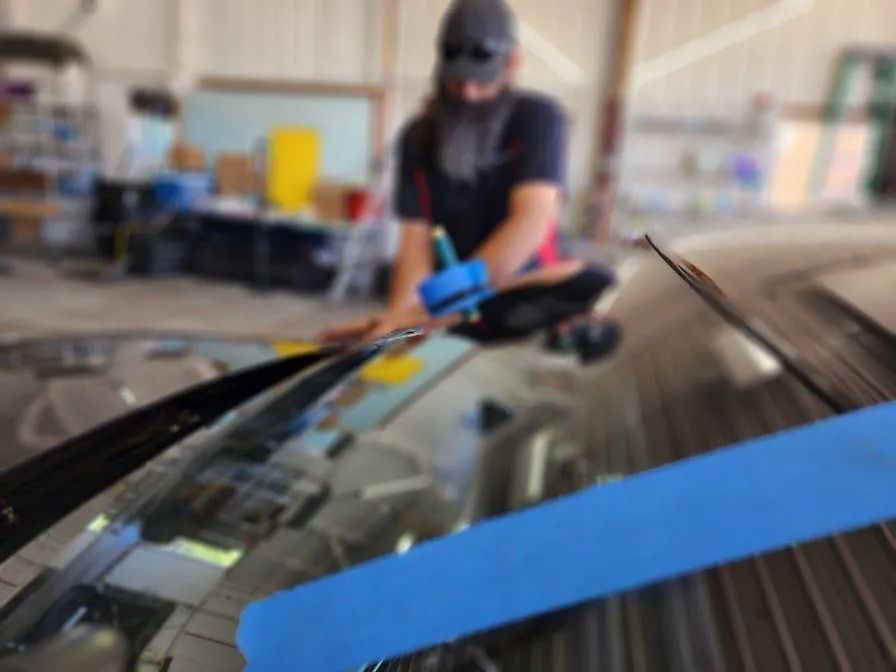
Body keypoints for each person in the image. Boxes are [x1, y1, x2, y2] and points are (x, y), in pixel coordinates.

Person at [322, 0, 567, 343]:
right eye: (456, 80)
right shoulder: (418, 138)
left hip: (525, 308)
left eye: (481, 83)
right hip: (451, 314)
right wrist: (397, 323)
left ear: (511, 63)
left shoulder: (538, 120)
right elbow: (416, 245)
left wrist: (424, 311)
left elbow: (531, 222)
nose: (467, 92)